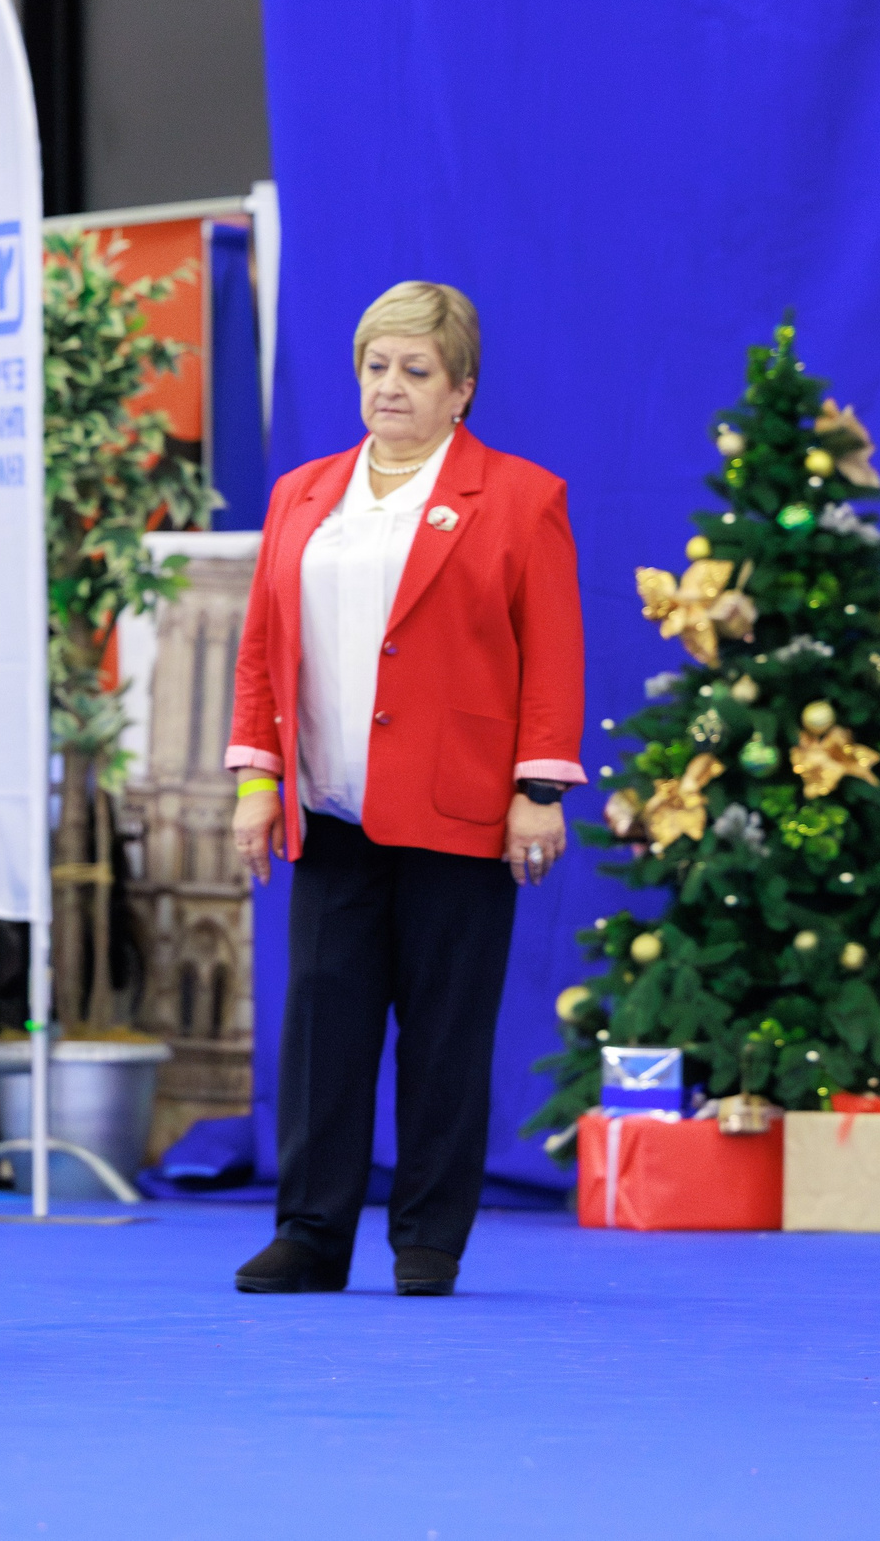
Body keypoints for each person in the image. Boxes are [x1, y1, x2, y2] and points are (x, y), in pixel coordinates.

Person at [224, 281, 583, 1298]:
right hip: (331, 810)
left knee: (443, 1035)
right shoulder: (302, 493)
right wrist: (256, 777)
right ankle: (310, 1232)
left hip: (462, 809)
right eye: (375, 366)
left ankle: (427, 1238)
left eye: (415, 370)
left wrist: (539, 789)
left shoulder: (519, 497)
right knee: (321, 1034)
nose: (389, 387)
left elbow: (551, 653)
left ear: (459, 389)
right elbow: (261, 651)